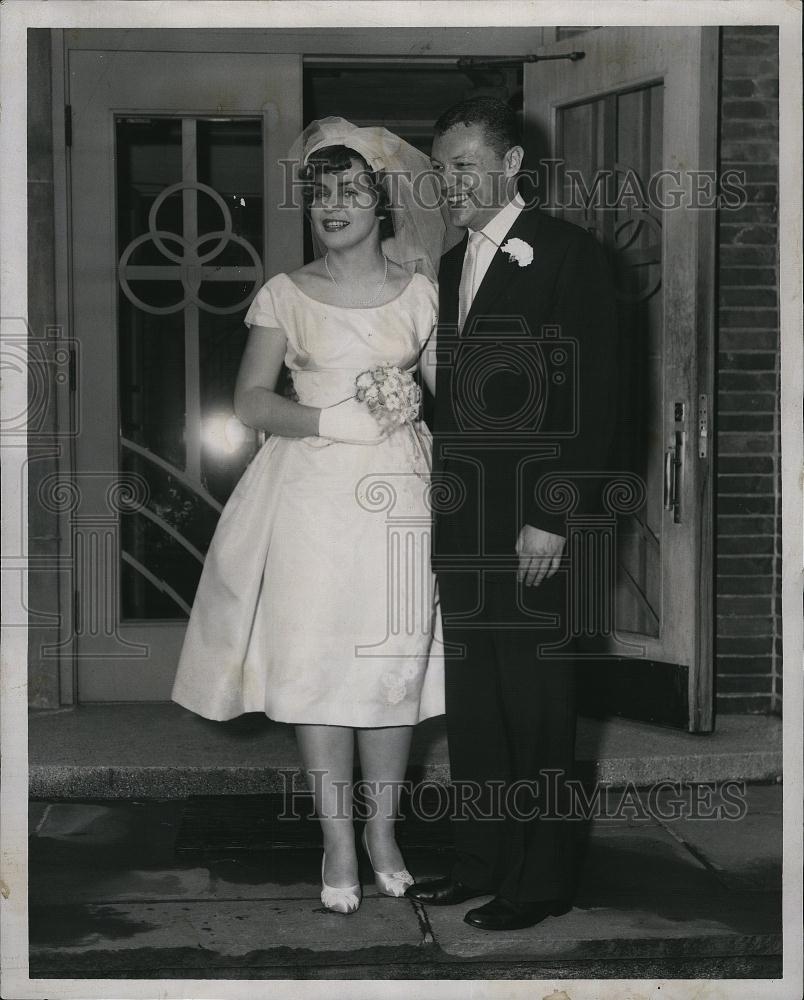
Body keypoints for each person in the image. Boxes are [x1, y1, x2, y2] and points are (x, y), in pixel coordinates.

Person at [171, 118, 446, 915]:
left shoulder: (422, 291)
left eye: (350, 192)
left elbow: (448, 394)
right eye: (320, 194)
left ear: (380, 204)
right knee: (320, 663)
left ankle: (383, 833)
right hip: (311, 497)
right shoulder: (285, 294)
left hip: (398, 490)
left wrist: (412, 402)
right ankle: (334, 841)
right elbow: (250, 400)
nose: (334, 206)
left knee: (392, 660)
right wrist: (329, 419)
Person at [405, 96, 618, 930]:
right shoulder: (454, 263)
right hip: (465, 523)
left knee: (537, 706)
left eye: (463, 166)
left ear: (510, 168)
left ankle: (543, 879)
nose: (447, 182)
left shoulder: (571, 255)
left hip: (535, 524)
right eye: (440, 168)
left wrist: (555, 516)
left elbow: (594, 401)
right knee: (478, 706)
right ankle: (481, 860)